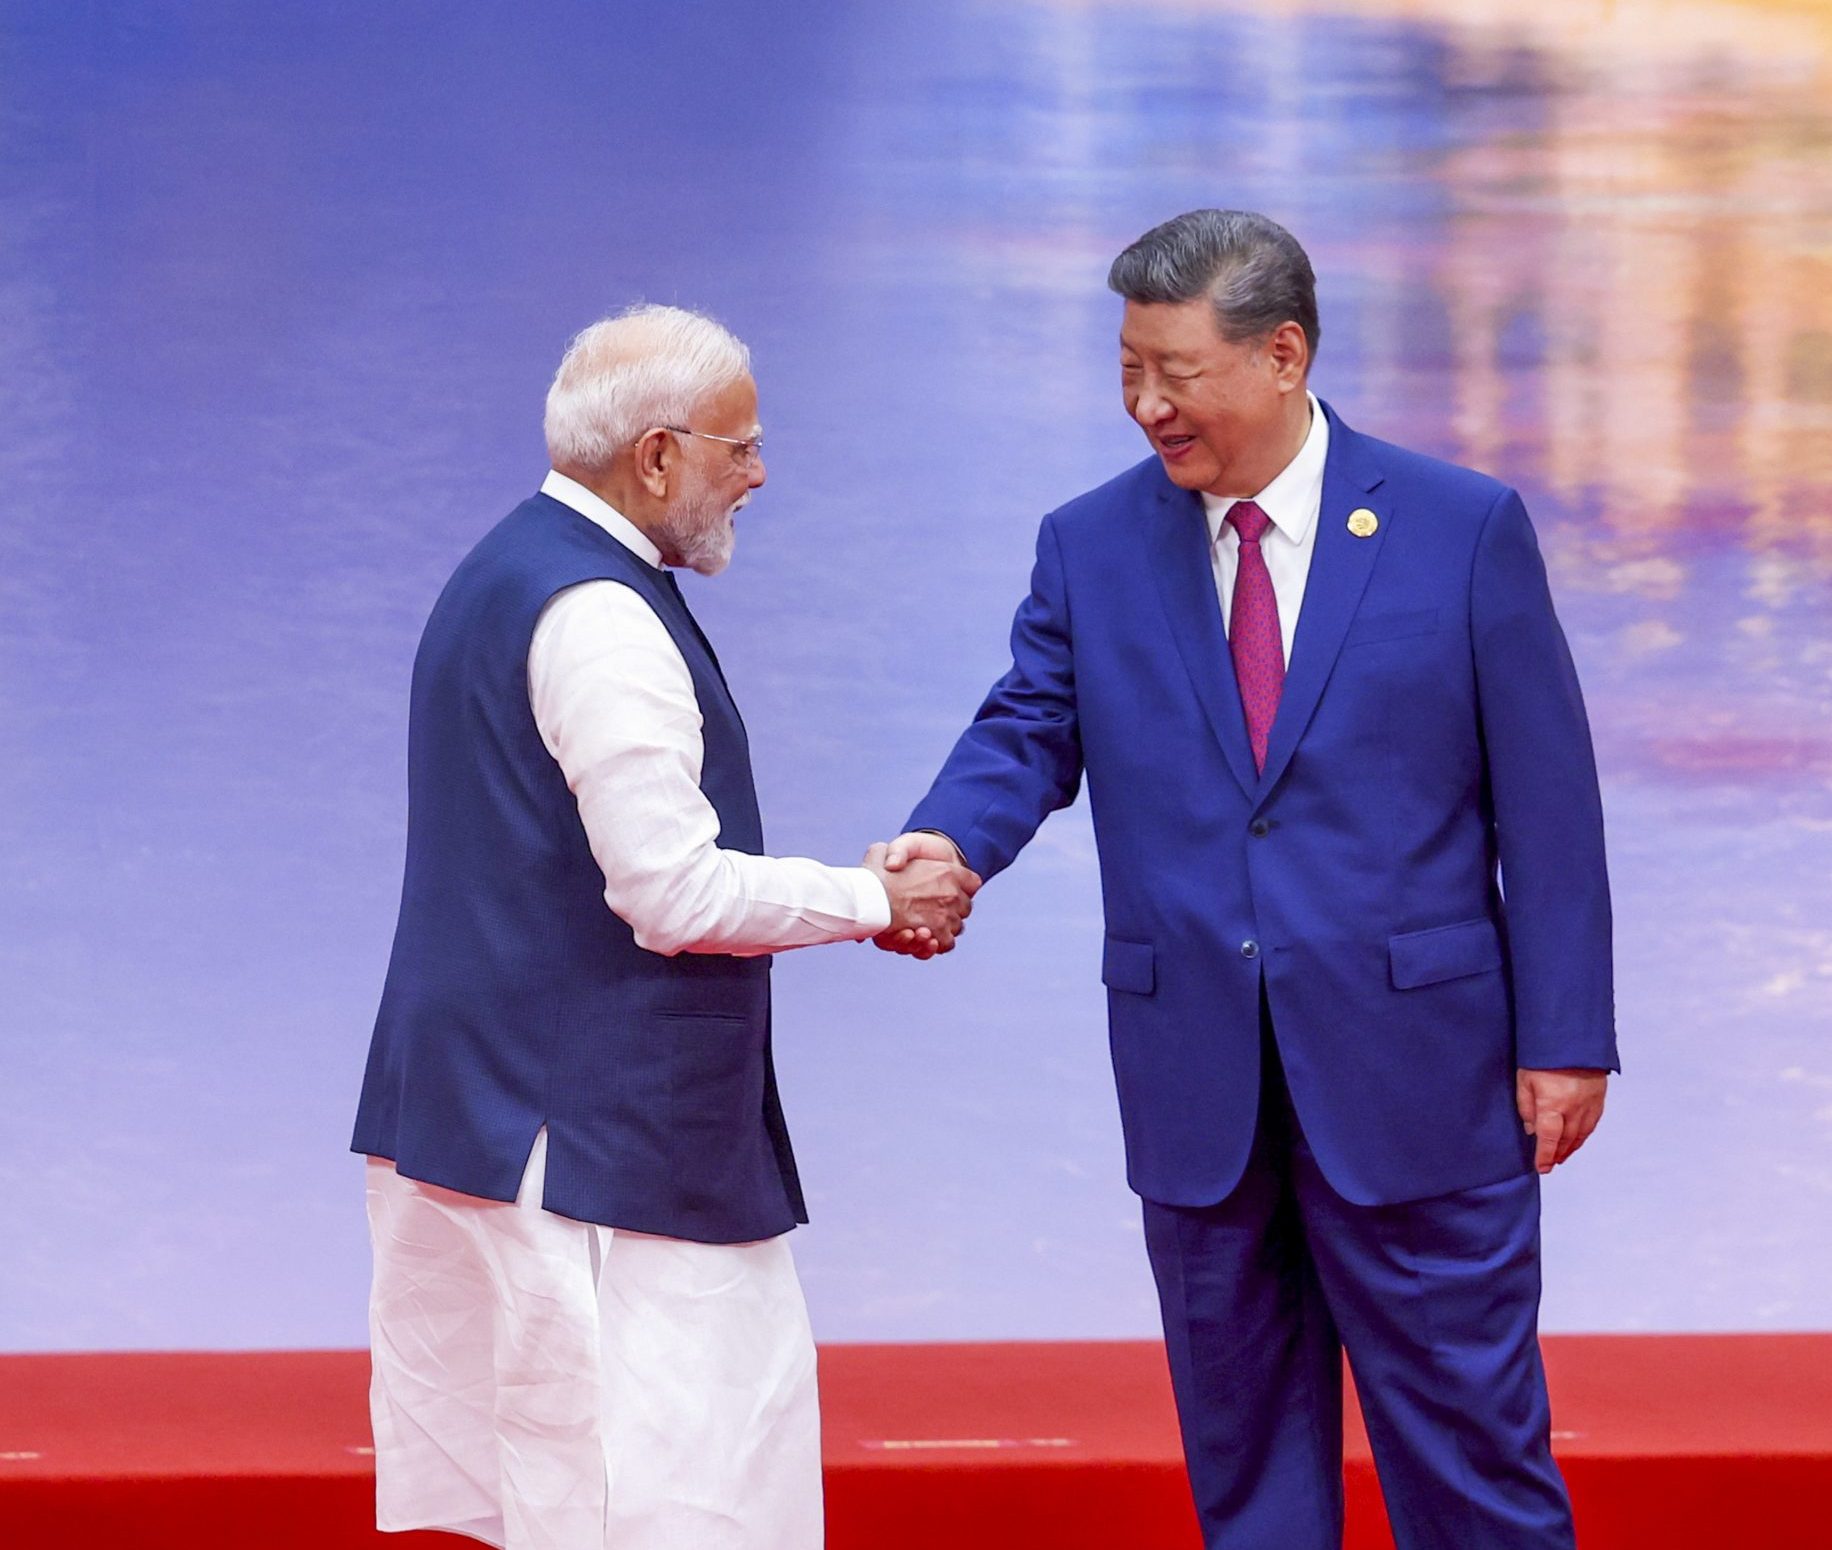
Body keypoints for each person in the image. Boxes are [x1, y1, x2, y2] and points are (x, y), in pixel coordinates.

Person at [878, 210, 1616, 1548]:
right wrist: (950, 840)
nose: (1147, 404)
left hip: (1423, 1079)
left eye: (1176, 369)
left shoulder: (1461, 528)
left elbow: (1549, 809)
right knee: (1252, 1481)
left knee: (1475, 1468)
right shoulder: (1090, 544)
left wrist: (1567, 1037)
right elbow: (1028, 722)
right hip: (1200, 1088)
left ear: (1283, 353)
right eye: (1127, 370)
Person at [350, 302, 978, 1550]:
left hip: (499, 1116)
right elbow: (671, 894)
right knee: (675, 1505)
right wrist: (875, 899)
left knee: (572, 1498)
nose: (759, 471)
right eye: (736, 446)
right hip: (596, 1150)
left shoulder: (509, 567)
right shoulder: (599, 618)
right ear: (654, 455)